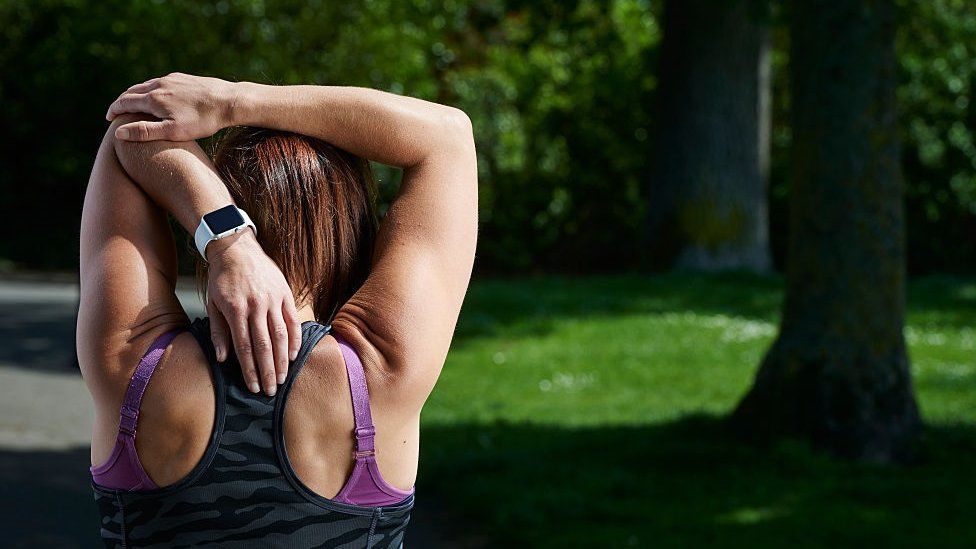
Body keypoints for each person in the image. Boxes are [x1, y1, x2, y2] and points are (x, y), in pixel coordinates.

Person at [77, 72, 477, 547]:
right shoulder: (381, 373)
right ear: (348, 231)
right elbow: (446, 136)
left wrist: (229, 241)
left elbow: (134, 118)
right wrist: (235, 101)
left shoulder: (133, 364)